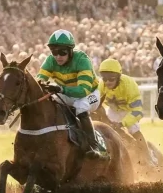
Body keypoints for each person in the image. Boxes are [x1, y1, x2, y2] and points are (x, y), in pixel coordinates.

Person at [36, 29, 109, 160]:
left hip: (90, 93)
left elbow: (82, 91)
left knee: (80, 106)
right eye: (54, 52)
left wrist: (60, 89)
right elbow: (39, 81)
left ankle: (95, 146)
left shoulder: (82, 60)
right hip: (67, 92)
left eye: (62, 52)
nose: (58, 56)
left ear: (70, 51)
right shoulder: (50, 61)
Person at [98, 58, 156, 164]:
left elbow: (137, 111)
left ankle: (148, 157)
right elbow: (96, 104)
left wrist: (122, 123)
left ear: (118, 77)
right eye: (105, 79)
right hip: (113, 110)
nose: (107, 82)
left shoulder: (129, 84)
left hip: (130, 111)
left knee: (133, 130)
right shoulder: (101, 84)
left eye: (111, 79)